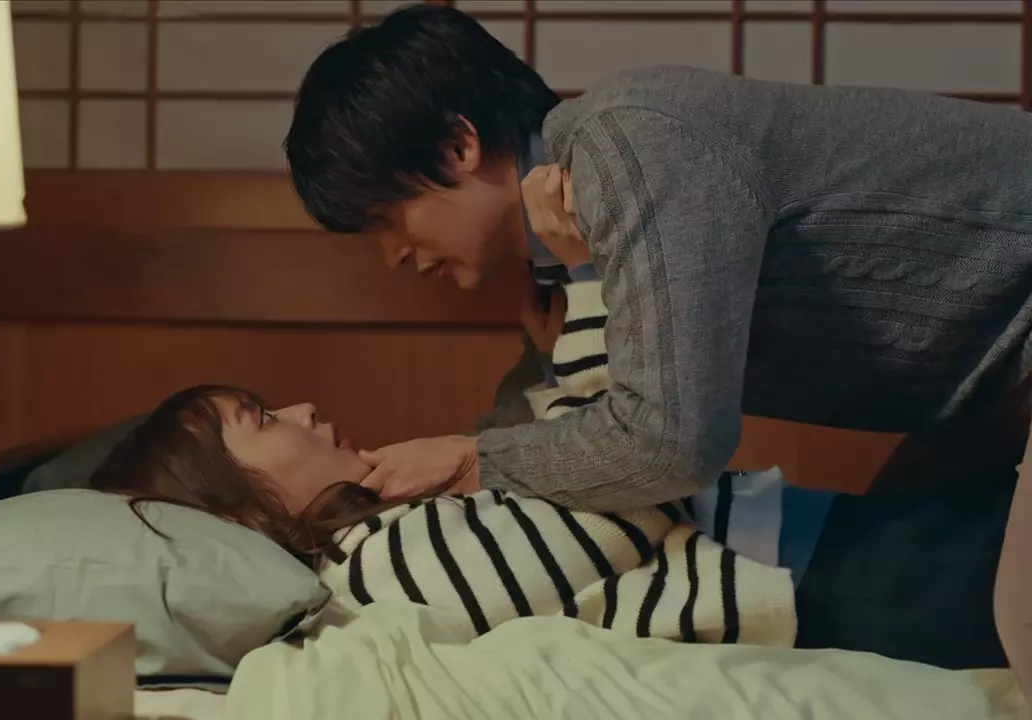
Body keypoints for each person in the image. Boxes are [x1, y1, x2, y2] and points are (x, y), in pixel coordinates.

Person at [283, 4, 1032, 688]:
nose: (393, 256)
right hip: (988, 392)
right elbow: (545, 452)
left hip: (1011, 344)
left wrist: (472, 459)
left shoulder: (628, 146)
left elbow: (668, 446)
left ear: (459, 145)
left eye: (387, 218)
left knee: (1000, 612)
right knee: (928, 554)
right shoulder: (558, 256)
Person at [86, 381, 1013, 669]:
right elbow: (615, 504)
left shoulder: (383, 533)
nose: (302, 410)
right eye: (260, 419)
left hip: (819, 551)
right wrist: (477, 459)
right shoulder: (370, 576)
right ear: (238, 506)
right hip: (833, 589)